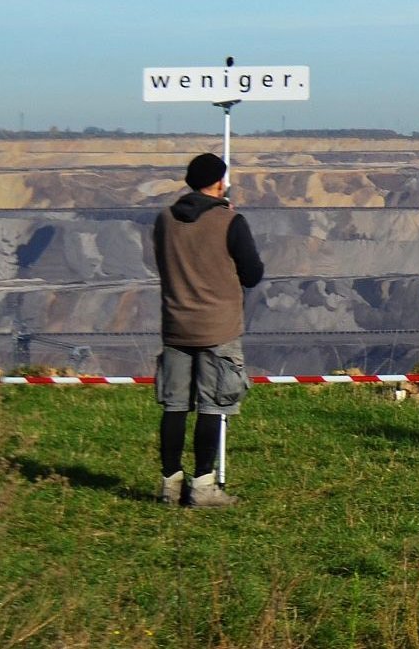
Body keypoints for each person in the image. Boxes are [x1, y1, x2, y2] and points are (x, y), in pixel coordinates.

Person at [154, 153, 263, 507]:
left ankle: (169, 485)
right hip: (218, 329)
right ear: (220, 182)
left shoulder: (164, 220)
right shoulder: (230, 222)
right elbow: (252, 274)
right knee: (212, 407)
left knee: (173, 407)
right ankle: (202, 487)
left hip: (175, 326)